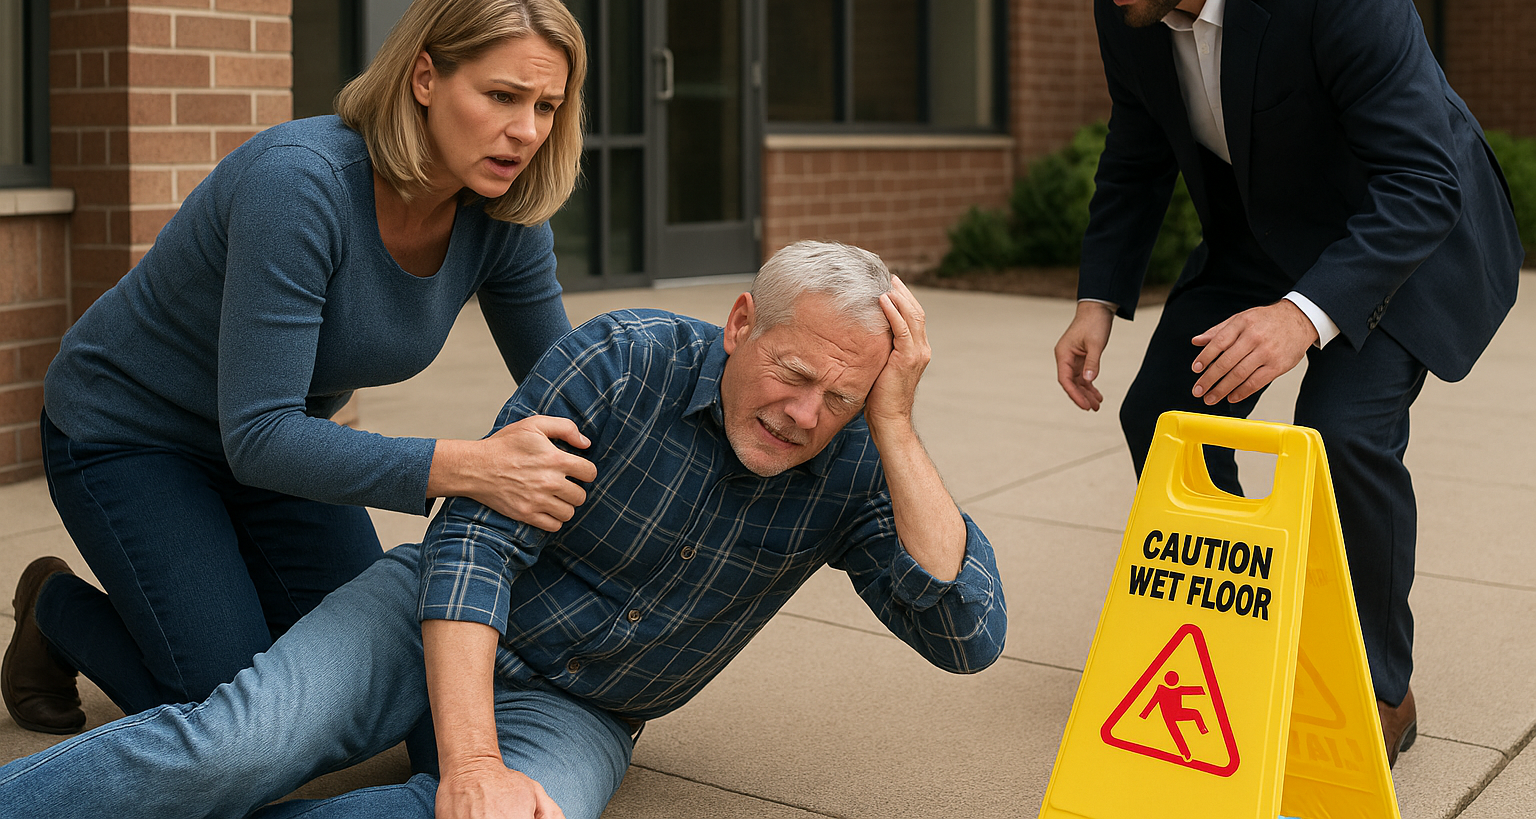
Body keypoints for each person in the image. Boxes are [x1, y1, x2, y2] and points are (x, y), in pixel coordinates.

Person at [0, 241, 1007, 819]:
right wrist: (469, 759)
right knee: (235, 746)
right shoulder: (626, 359)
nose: (803, 414)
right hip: (428, 615)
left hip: (585, 707)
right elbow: (476, 541)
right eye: (793, 374)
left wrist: (894, 428)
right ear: (743, 322)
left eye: (840, 396)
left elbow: (967, 636)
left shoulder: (854, 456)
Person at [2, 0, 601, 740]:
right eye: (501, 96)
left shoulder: (506, 217)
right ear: (425, 76)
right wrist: (471, 465)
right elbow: (257, 435)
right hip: (130, 434)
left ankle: (204, 591)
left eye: (547, 105)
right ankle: (56, 610)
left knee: (374, 677)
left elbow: (573, 394)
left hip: (287, 449)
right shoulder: (303, 183)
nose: (527, 130)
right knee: (232, 713)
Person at [1050, 0, 1521, 767]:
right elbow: (1136, 156)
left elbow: (1421, 182)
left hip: (1398, 233)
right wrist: (1100, 298)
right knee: (1162, 415)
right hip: (1265, 229)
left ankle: (1378, 686)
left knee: (1342, 435)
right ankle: (1237, 624)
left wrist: (1304, 318)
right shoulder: (1130, 6)